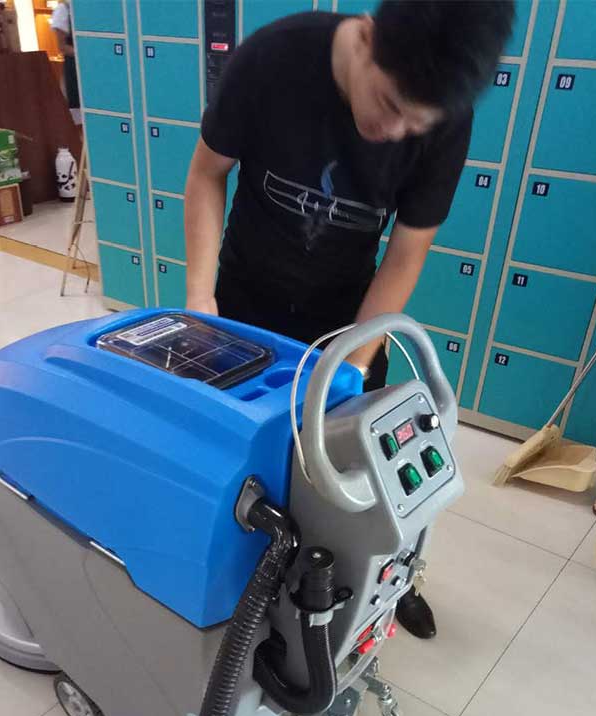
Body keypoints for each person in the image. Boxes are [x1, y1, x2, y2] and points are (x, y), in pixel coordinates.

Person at [184, 0, 514, 639]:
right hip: (246, 305)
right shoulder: (273, 57)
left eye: (416, 123)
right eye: (389, 104)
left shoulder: (445, 117)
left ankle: (384, 584)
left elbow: (407, 251)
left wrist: (355, 365)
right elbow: (206, 175)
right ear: (364, 38)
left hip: (349, 321)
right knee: (245, 464)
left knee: (362, 474)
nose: (395, 132)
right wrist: (201, 302)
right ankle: (242, 592)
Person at [50, 0, 81, 125]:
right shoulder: (64, 9)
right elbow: (62, 46)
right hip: (74, 66)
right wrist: (85, 55)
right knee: (78, 111)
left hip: (92, 66)